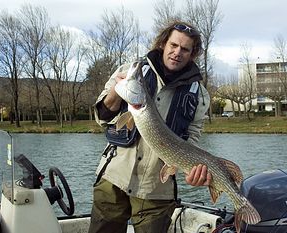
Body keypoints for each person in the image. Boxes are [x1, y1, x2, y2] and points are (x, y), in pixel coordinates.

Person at [88, 21, 211, 233]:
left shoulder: (199, 94)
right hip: (113, 178)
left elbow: (191, 139)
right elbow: (101, 116)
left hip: (157, 191)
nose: (177, 52)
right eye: (173, 45)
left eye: (184, 49)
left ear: (192, 54)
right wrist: (116, 92)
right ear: (164, 43)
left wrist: (192, 170)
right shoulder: (129, 72)